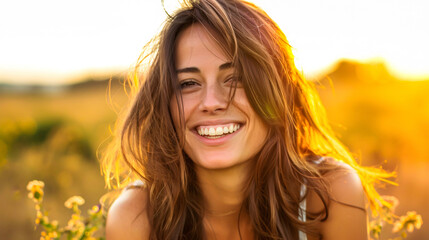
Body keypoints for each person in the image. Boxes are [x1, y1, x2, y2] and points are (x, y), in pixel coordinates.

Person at [101, 0, 393, 239]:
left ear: (278, 93)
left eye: (236, 79)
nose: (211, 103)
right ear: (164, 102)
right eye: (189, 83)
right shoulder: (136, 218)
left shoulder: (329, 193)